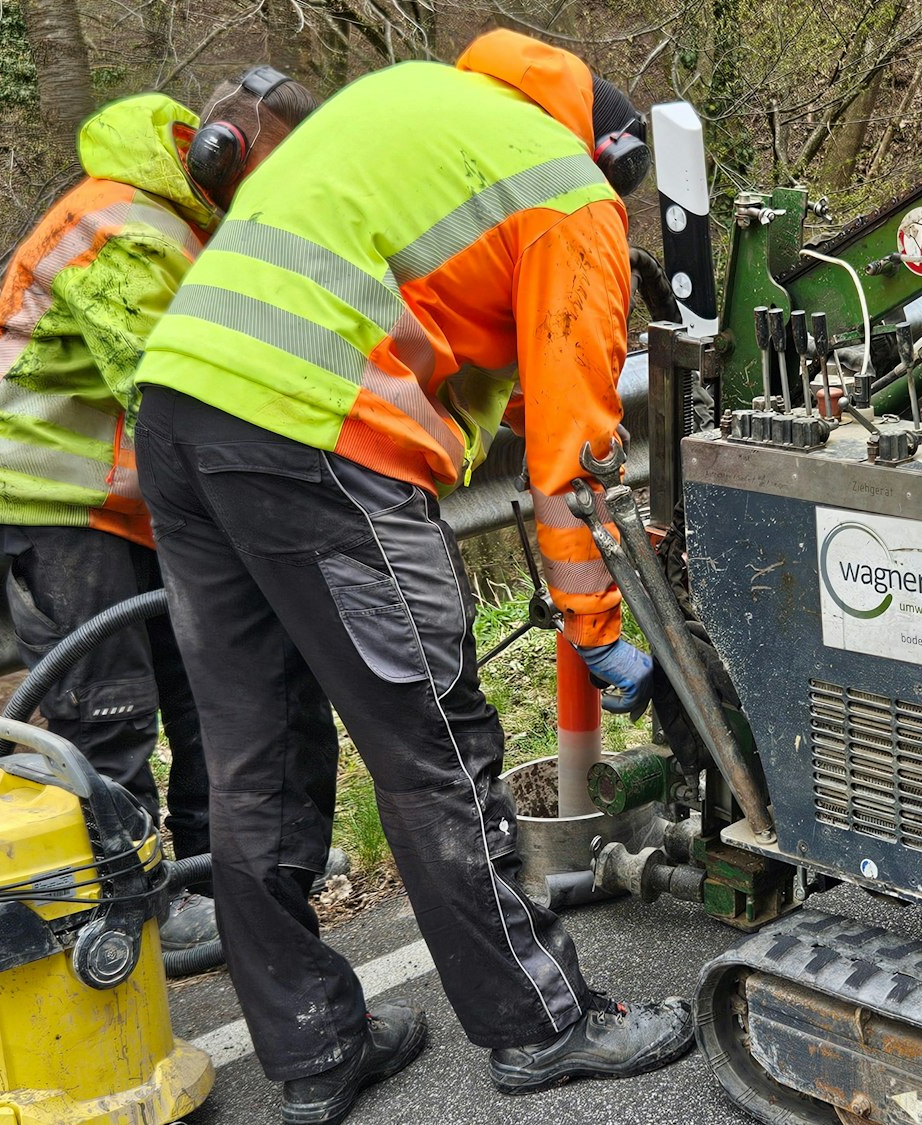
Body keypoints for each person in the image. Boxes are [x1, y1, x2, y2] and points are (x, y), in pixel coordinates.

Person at [132, 29, 686, 1124]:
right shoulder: (572, 197)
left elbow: (446, 337)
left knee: (253, 751)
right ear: (609, 156)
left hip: (180, 410)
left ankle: (314, 1048)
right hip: (316, 430)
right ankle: (540, 1024)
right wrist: (599, 630)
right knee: (434, 741)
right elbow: (570, 461)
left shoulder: (419, 102)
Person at [0, 70, 319, 958]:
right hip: (58, 498)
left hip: (135, 501)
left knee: (202, 695)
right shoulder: (126, 228)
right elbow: (172, 391)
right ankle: (131, 915)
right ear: (220, 154)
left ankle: (213, 881)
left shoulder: (184, 225)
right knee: (109, 714)